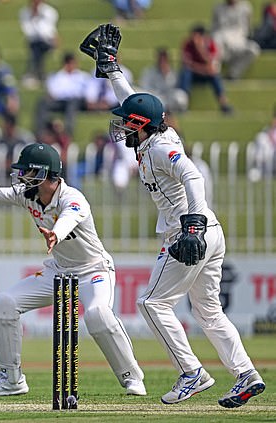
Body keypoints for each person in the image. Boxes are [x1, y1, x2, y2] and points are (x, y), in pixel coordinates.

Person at [79, 22, 266, 407]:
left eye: (125, 123)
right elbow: (132, 99)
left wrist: (191, 226)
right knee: (208, 311)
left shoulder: (163, 148)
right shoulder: (151, 134)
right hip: (209, 232)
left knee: (151, 303)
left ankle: (191, 373)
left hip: (191, 233)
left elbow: (193, 176)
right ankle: (246, 374)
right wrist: (112, 68)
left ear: (140, 126)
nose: (119, 126)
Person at [0, 143, 147, 398]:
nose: (22, 178)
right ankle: (11, 380)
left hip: (93, 271)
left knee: (97, 315)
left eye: (28, 173)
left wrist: (55, 234)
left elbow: (69, 218)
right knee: (4, 303)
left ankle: (132, 378)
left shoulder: (73, 198)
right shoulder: (27, 195)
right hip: (58, 271)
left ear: (45, 175)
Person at [178, 24, 233, 114]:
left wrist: (200, 49)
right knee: (185, 74)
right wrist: (202, 69)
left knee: (215, 77)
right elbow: (187, 64)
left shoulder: (211, 45)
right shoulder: (187, 44)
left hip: (207, 74)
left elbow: (211, 66)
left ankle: (223, 104)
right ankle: (183, 104)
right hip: (195, 73)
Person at [34, 52, 91, 136]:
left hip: (77, 101)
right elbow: (53, 92)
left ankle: (68, 132)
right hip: (60, 101)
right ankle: (40, 131)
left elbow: (87, 92)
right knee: (42, 103)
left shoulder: (83, 76)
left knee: (72, 103)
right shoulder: (57, 76)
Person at [211, 0, 260, 80]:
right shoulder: (218, 8)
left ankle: (233, 73)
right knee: (215, 41)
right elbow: (214, 29)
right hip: (222, 39)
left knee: (254, 49)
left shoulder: (246, 7)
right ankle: (214, 74)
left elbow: (247, 28)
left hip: (239, 40)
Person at [18, 0, 59, 88]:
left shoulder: (49, 11)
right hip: (34, 41)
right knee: (36, 48)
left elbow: (50, 29)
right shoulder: (24, 13)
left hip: (48, 40)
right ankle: (39, 74)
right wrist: (34, 17)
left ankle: (35, 74)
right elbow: (28, 31)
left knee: (37, 50)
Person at [138, 48, 188, 113]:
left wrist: (166, 75)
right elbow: (145, 87)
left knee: (181, 95)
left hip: (169, 97)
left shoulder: (172, 72)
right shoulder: (149, 71)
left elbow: (174, 87)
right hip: (155, 96)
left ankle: (178, 110)